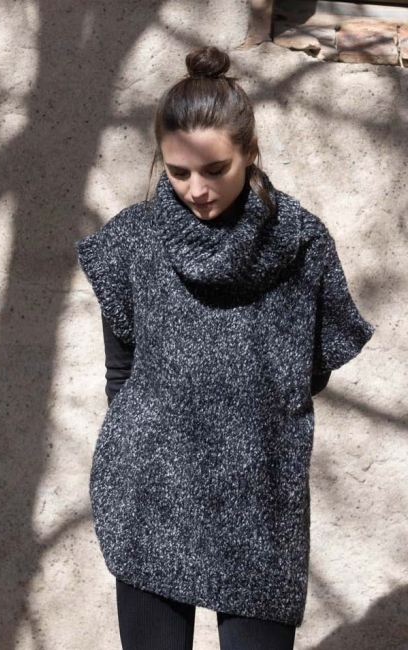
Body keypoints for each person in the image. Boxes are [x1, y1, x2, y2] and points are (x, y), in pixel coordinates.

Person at [75, 45, 375, 650]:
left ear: (250, 152)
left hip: (260, 494)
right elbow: (120, 370)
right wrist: (152, 441)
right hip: (151, 490)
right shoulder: (132, 242)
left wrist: (246, 416)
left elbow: (312, 367)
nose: (197, 189)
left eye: (215, 169)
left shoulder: (300, 243)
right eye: (178, 172)